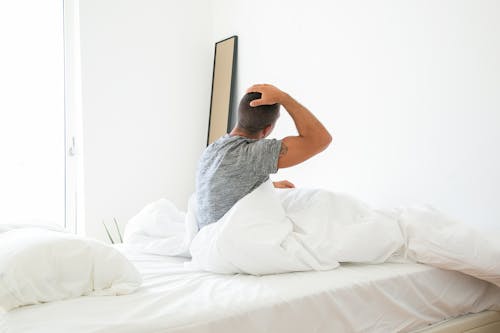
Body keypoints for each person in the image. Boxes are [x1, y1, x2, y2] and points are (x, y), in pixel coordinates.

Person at [195, 83, 332, 229]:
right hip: (231, 241)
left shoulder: (213, 150)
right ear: (268, 129)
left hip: (207, 238)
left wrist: (269, 186)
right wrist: (285, 98)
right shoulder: (254, 153)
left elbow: (222, 187)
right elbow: (320, 139)